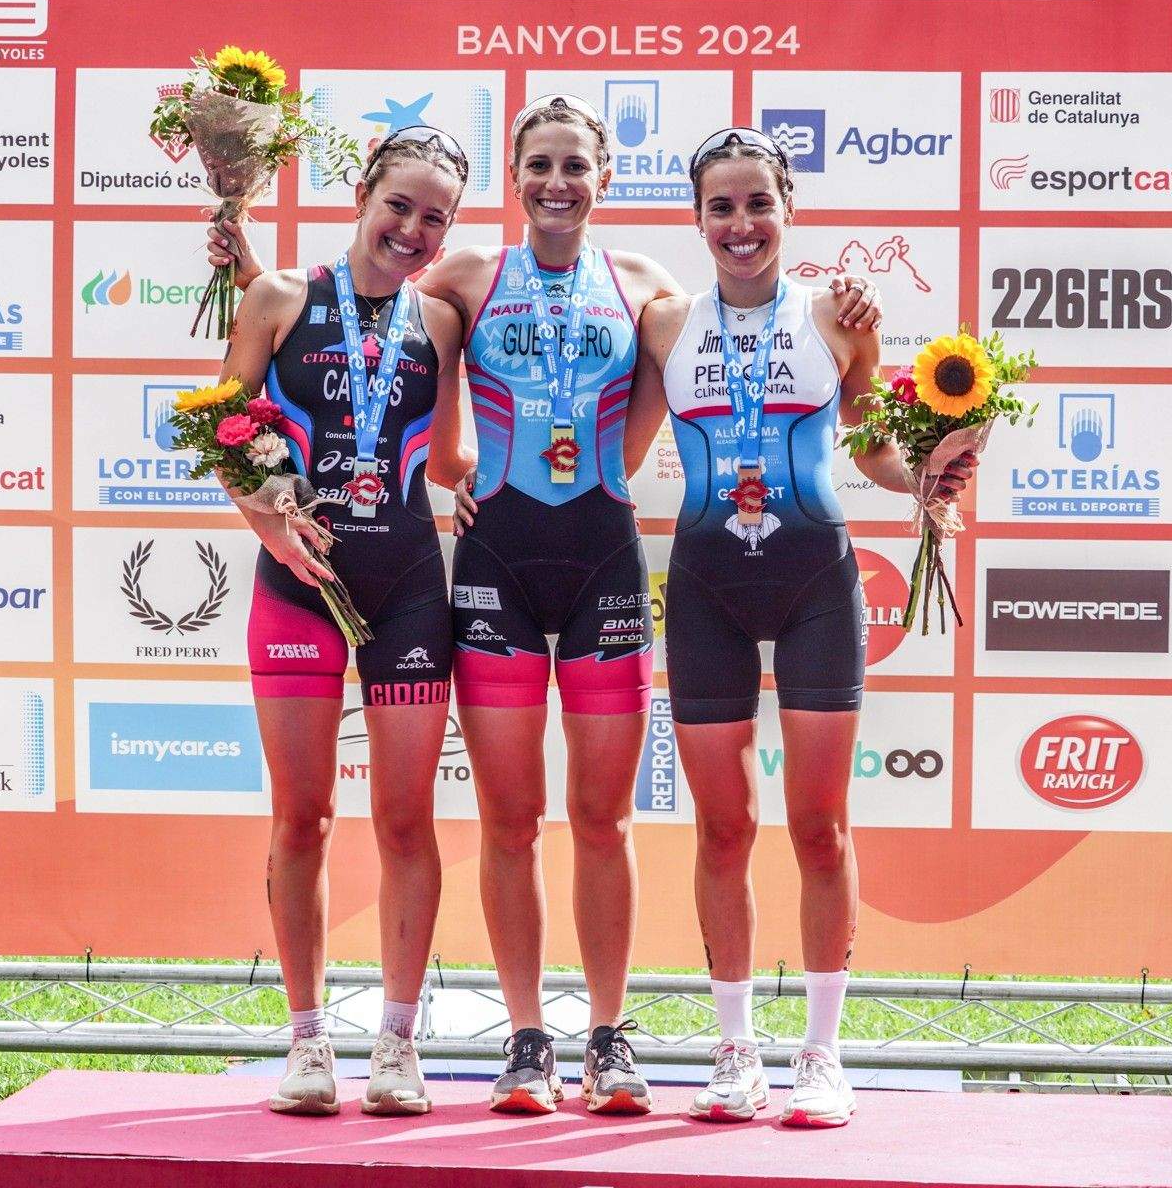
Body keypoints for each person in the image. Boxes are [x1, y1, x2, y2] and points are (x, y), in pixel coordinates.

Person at [209, 97, 882, 1117]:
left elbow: (740, 329)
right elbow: (352, 310)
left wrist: (848, 304)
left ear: (605, 178)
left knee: (602, 818)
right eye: (539, 166)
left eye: (575, 165)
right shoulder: (463, 277)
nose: (557, 182)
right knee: (510, 820)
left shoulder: (650, 292)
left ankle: (608, 1038)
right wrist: (249, 263)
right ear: (515, 179)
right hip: (497, 568)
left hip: (604, 558)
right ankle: (527, 1040)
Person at [636, 129, 974, 1128]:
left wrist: (928, 480)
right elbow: (615, 444)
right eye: (721, 206)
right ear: (697, 218)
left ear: (788, 210)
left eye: (759, 203)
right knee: (723, 826)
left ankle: (822, 1053)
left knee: (820, 824)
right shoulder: (664, 323)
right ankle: (735, 1048)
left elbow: (868, 446)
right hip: (705, 585)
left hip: (817, 581)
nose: (741, 224)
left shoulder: (837, 314)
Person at [216, 126, 473, 1117]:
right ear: (362, 193)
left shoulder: (440, 320)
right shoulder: (278, 298)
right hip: (297, 588)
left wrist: (494, 483)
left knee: (405, 819)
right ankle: (309, 1040)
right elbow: (220, 430)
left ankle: (398, 1043)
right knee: (304, 816)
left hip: (408, 586)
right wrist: (272, 526)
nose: (412, 229)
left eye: (435, 217)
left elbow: (443, 456)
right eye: (398, 204)